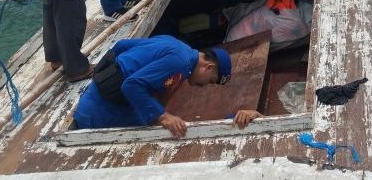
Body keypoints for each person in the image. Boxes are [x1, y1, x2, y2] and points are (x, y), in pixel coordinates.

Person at [73, 35, 262, 137]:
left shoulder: (176, 44)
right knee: (156, 135)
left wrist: (105, 73)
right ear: (208, 67)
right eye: (210, 81)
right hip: (101, 115)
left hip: (90, 99)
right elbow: (131, 85)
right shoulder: (181, 62)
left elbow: (121, 45)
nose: (203, 86)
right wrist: (163, 116)